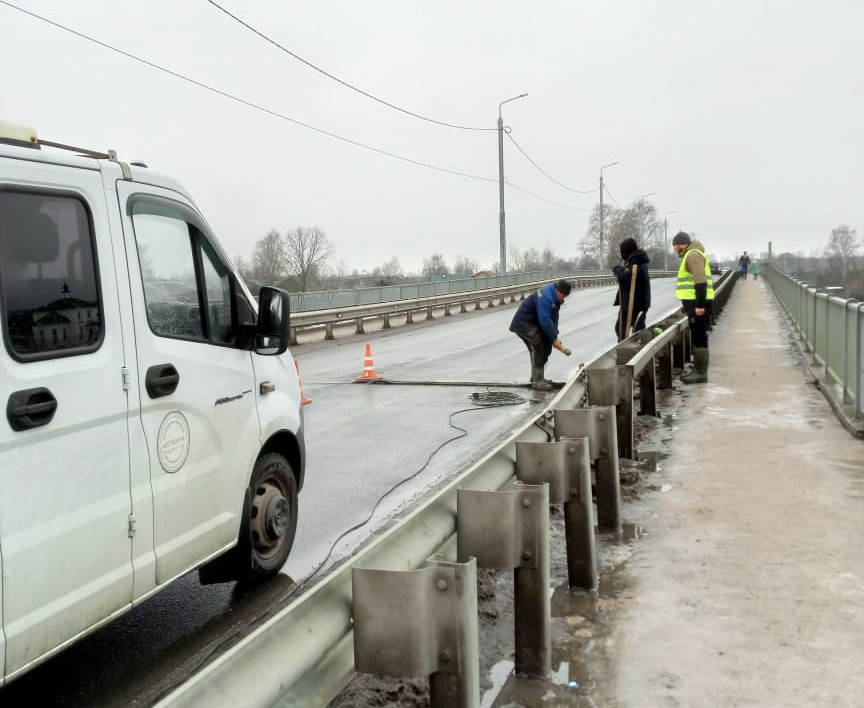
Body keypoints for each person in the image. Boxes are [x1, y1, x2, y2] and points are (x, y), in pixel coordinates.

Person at [509, 279, 572, 390]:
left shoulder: (556, 298)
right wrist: (553, 339)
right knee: (538, 345)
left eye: (565, 297)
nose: (563, 299)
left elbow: (554, 317)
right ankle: (538, 381)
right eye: (562, 296)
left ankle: (537, 377)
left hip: (535, 324)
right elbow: (545, 320)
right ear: (557, 291)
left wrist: (554, 336)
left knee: (546, 347)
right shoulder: (546, 296)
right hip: (524, 323)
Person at [672, 232, 714, 384]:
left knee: (699, 335)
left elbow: (700, 281)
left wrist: (700, 305)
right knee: (697, 335)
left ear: (679, 244)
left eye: (674, 246)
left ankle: (701, 373)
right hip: (695, 303)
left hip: (698, 303)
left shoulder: (693, 255)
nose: (674, 249)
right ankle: (697, 370)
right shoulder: (692, 255)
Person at [612, 237, 651, 341]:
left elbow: (626, 277)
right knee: (631, 329)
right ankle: (637, 348)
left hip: (635, 304)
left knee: (625, 330)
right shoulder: (636, 260)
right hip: (634, 304)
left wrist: (618, 269)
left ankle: (631, 351)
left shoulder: (636, 261)